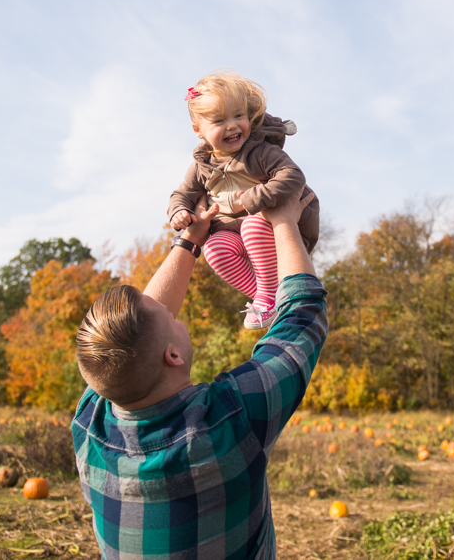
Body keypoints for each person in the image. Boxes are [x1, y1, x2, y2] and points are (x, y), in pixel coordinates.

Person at [71, 191, 326, 560]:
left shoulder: (89, 424)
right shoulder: (229, 423)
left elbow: (138, 340)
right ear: (172, 355)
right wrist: (285, 222)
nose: (173, 312)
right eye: (170, 317)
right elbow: (303, 315)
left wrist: (190, 239)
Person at [167, 70, 320, 329]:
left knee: (251, 224)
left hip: (280, 223)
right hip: (237, 235)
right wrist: (179, 211)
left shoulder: (260, 151)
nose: (232, 125)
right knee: (215, 248)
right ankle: (267, 295)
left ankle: (269, 296)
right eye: (218, 121)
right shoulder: (201, 166)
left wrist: (254, 199)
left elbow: (293, 175)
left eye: (239, 115)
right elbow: (182, 193)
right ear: (198, 130)